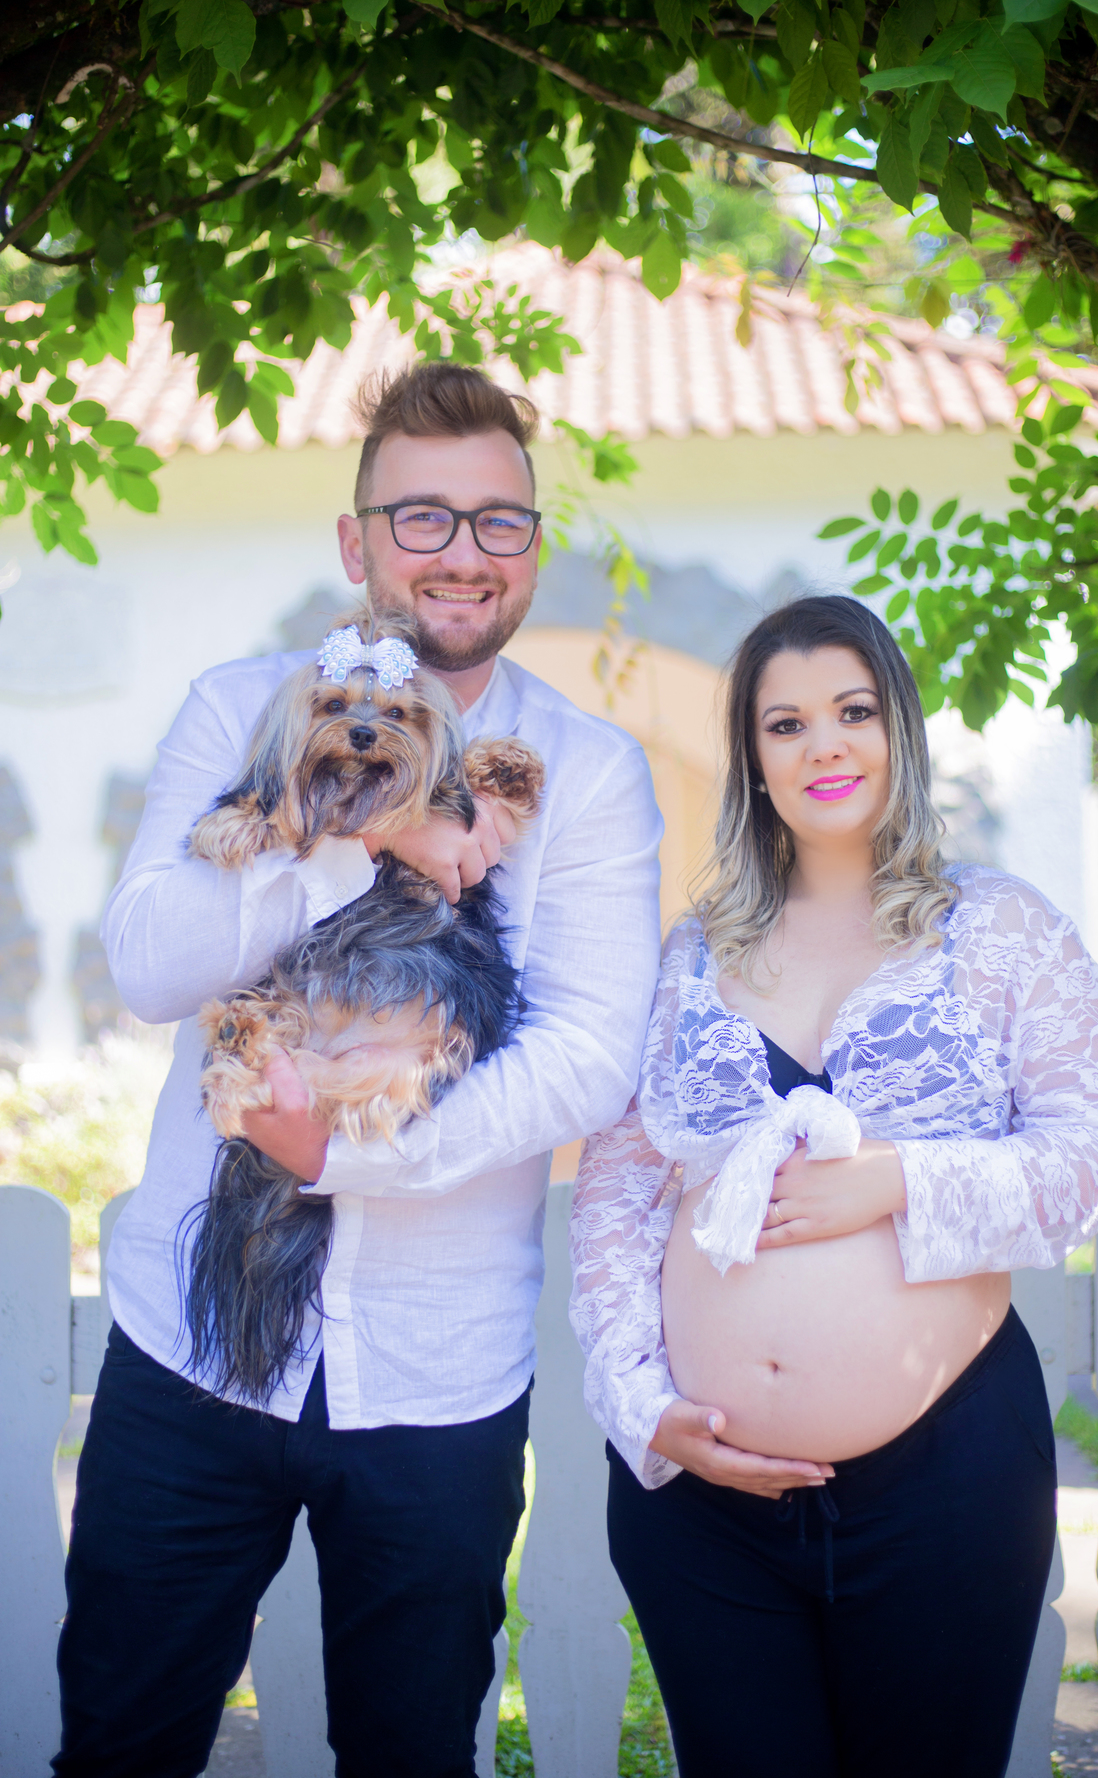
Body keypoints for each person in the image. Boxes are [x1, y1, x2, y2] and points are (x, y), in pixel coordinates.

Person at [57, 363, 663, 1778]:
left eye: (499, 521)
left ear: (533, 543)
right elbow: (150, 965)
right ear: (356, 542)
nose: (462, 551)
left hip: (436, 1375)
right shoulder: (240, 711)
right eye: (423, 516)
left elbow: (586, 1056)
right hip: (190, 1346)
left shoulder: (588, 770)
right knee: (125, 1736)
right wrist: (370, 833)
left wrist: (352, 1155)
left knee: (411, 1751)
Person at [570, 594, 1098, 1778]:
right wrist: (642, 1408)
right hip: (704, 1504)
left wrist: (897, 1183)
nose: (824, 746)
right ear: (752, 759)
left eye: (853, 711)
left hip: (945, 1484)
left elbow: (1096, 1160)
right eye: (785, 725)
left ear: (900, 729)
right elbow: (619, 1196)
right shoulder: (691, 954)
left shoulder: (1003, 932)